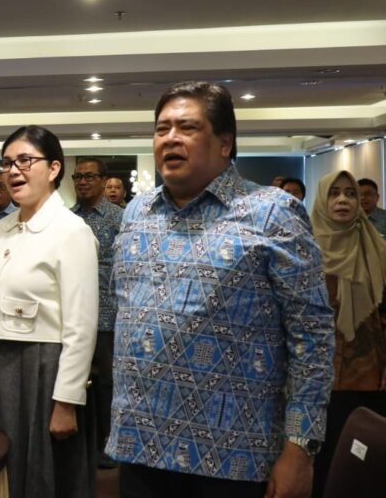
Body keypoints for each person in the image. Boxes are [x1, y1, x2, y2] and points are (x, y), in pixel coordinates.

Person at [108, 82, 334, 498]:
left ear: (225, 143)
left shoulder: (273, 213)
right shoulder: (138, 212)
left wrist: (300, 449)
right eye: (161, 129)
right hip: (140, 442)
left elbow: (313, 340)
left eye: (187, 127)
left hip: (234, 453)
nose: (170, 138)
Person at [0, 125, 99, 498]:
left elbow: (81, 326)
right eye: (7, 162)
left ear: (54, 168)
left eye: (25, 160)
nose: (13, 171)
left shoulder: (71, 231)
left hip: (45, 369)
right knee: (3, 465)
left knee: (42, 474)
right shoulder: (1, 230)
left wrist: (67, 400)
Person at [309, 171, 386, 498]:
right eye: (334, 193)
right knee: (316, 466)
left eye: (350, 194)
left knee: (359, 467)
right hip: (311, 379)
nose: (343, 200)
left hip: (365, 374)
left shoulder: (378, 250)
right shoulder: (301, 250)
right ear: (322, 200)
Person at [70, 157, 124, 469]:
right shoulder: (67, 219)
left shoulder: (119, 218)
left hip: (108, 316)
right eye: (78, 177)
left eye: (89, 176)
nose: (83, 182)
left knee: (107, 385)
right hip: (72, 316)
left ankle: (107, 444)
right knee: (74, 378)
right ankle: (79, 443)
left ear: (104, 181)